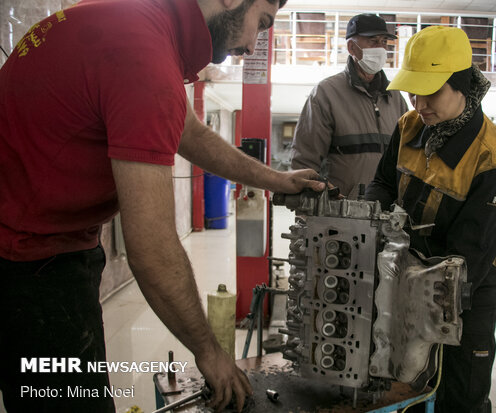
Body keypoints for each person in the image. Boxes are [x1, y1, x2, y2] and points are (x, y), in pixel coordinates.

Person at [0, 0, 324, 411]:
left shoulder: (144, 25)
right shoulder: (144, 56)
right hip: (27, 266)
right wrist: (210, 352)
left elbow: (187, 130)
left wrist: (275, 180)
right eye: (260, 23)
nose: (251, 44)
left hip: (50, 244)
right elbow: (151, 247)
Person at [365, 26, 496, 413]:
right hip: (404, 275)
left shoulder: (491, 158)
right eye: (413, 92)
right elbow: (383, 181)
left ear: (461, 84)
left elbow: (468, 258)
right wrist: (374, 224)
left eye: (430, 92)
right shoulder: (410, 126)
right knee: (404, 385)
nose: (418, 103)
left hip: (465, 291)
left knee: (458, 393)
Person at [291, 13, 408, 199]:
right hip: (341, 213)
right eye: (373, 41)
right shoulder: (326, 94)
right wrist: (308, 214)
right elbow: (305, 161)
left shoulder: (395, 97)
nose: (380, 48)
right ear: (352, 47)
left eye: (384, 42)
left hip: (387, 214)